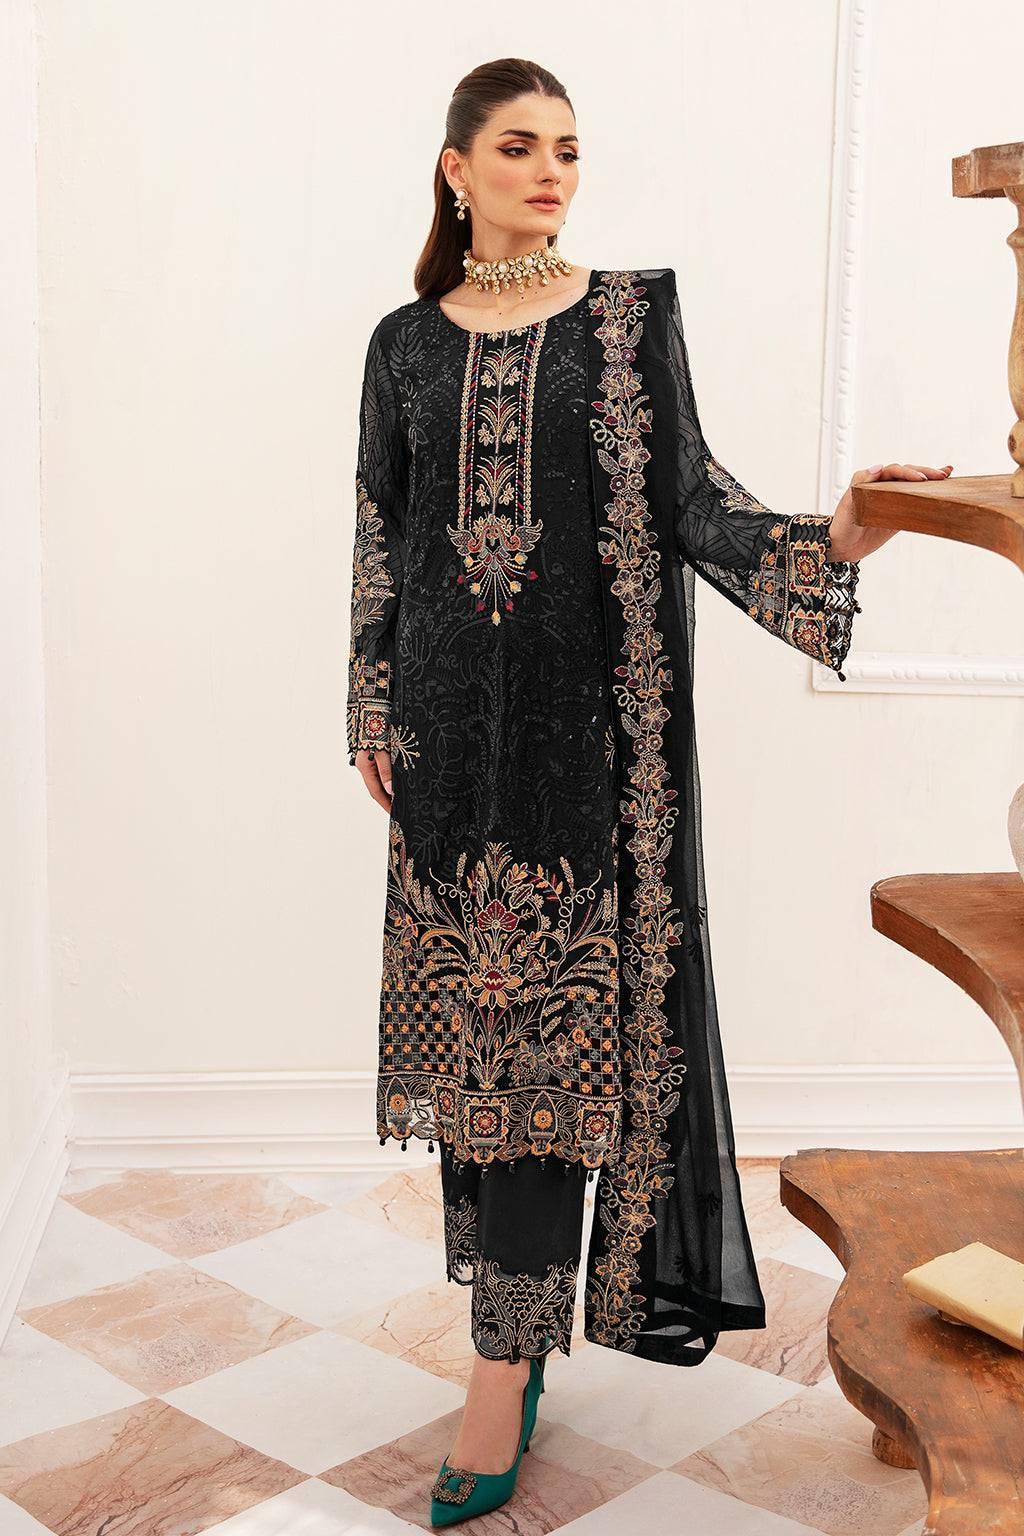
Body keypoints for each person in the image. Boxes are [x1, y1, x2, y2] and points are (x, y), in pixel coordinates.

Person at [346, 56, 952, 1527]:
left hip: (588, 754)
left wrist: (845, 532)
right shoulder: (403, 343)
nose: (550, 173)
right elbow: (379, 529)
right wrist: (368, 703)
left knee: (551, 1051)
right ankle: (513, 1334)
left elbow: (695, 504)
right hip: (446, 750)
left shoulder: (625, 321)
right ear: (456, 169)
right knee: (476, 1057)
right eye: (517, 148)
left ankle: (500, 1368)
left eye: (567, 149)